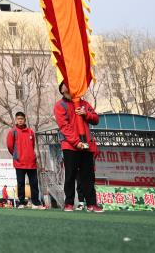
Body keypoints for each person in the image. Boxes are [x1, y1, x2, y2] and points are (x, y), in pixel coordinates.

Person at [54, 82, 103, 213]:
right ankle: (69, 203)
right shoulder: (60, 105)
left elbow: (96, 119)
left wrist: (86, 113)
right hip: (70, 146)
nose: (68, 87)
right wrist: (76, 142)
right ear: (62, 90)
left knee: (88, 176)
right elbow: (64, 126)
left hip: (86, 145)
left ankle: (92, 204)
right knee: (70, 175)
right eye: (65, 85)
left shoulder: (84, 104)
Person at [6, 111, 45, 209]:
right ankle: (21, 203)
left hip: (31, 163)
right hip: (19, 163)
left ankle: (36, 203)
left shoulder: (31, 132)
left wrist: (32, 156)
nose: (20, 120)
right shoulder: (12, 132)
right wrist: (17, 156)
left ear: (24, 120)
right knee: (21, 183)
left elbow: (32, 145)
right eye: (18, 119)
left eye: (21, 119)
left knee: (34, 183)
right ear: (16, 120)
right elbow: (10, 146)